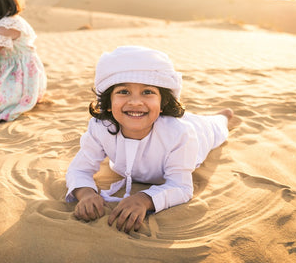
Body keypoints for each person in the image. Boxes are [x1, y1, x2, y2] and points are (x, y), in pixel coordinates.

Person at [65, 45, 236, 233]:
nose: (136, 102)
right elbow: (78, 169)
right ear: (107, 103)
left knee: (215, 126)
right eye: (123, 91)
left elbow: (181, 187)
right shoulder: (100, 127)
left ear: (163, 103)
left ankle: (223, 116)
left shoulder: (181, 134)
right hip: (165, 121)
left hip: (199, 133)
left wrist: (144, 199)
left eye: (147, 92)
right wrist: (86, 193)